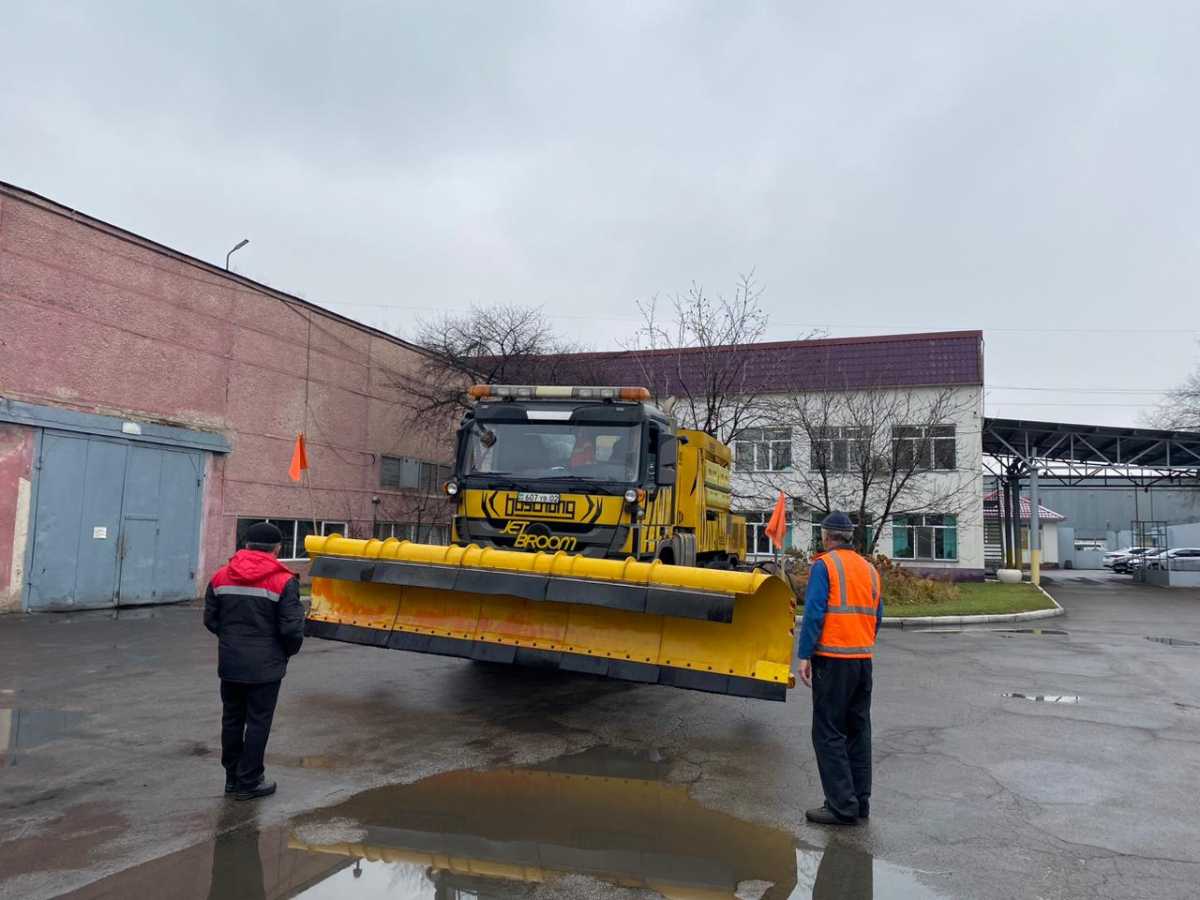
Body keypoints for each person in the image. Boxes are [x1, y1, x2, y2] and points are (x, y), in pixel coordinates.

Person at [204, 521, 304, 801]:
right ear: (277, 548)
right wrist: (284, 652)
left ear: (246, 545)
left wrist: (232, 640)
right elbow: (292, 630)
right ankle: (250, 780)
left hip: (231, 663)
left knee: (232, 720)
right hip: (266, 666)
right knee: (258, 722)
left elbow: (211, 620)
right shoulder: (284, 580)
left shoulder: (220, 576)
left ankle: (232, 779)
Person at [795, 511, 883, 826]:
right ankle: (859, 803)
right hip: (862, 661)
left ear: (826, 536)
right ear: (849, 537)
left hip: (833, 660)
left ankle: (840, 805)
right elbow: (877, 614)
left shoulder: (825, 566)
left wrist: (805, 654)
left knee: (828, 732)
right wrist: (862, 643)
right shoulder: (870, 569)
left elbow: (814, 611)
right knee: (858, 731)